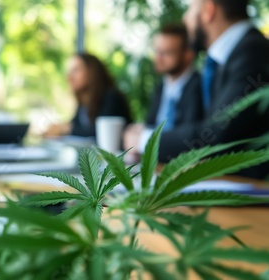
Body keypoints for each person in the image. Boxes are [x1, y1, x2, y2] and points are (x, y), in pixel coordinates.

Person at [124, 0, 269, 179]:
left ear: (209, 10)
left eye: (190, 9)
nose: (185, 19)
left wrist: (145, 141)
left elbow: (215, 134)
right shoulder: (229, 57)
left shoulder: (253, 52)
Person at [44, 53, 132, 138]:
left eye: (75, 70)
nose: (69, 77)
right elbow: (75, 125)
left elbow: (100, 132)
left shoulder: (111, 98)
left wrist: (66, 129)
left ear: (92, 71)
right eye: (69, 72)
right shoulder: (84, 103)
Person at [144, 24, 203, 131]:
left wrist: (144, 138)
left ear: (188, 55)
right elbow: (150, 124)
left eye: (166, 53)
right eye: (157, 51)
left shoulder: (199, 86)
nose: (158, 58)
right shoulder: (160, 87)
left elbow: (188, 134)